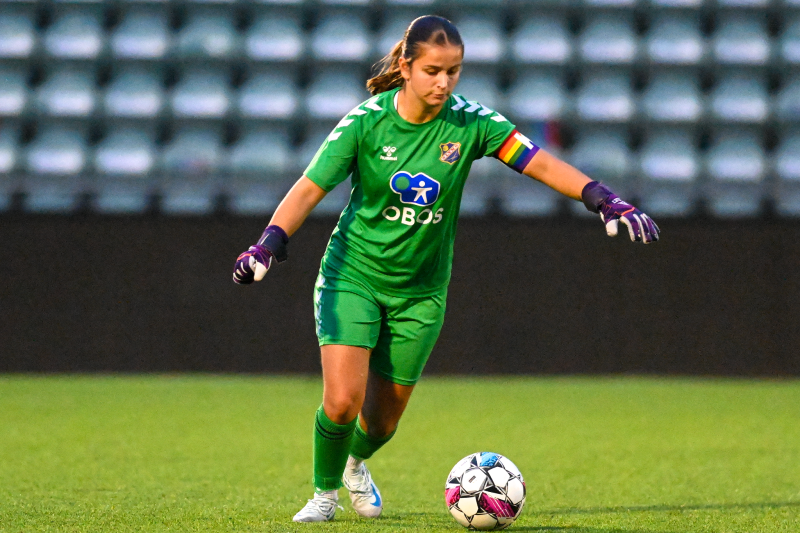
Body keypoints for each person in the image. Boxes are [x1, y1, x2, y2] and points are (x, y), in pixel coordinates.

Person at [232, 15, 659, 523]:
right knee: (343, 401)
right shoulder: (365, 123)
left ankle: (355, 464)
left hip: (422, 292)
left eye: (453, 71)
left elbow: (539, 161)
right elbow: (309, 188)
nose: (444, 83)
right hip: (354, 275)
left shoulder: (470, 122)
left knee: (383, 422)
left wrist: (603, 199)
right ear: (406, 66)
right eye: (433, 71)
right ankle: (323, 496)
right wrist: (267, 245)